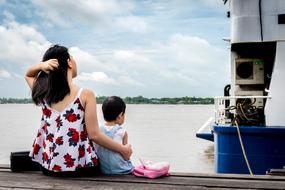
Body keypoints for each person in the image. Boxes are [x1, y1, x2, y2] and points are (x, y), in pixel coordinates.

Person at [24, 45, 132, 177]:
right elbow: (94, 135)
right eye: (73, 58)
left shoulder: (43, 93)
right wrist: (124, 150)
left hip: (48, 168)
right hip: (80, 169)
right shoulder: (85, 94)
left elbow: (28, 75)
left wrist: (41, 66)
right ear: (69, 62)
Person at [96, 96, 134, 174]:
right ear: (120, 115)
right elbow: (126, 156)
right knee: (128, 147)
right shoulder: (122, 132)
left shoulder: (97, 131)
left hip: (103, 170)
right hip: (121, 170)